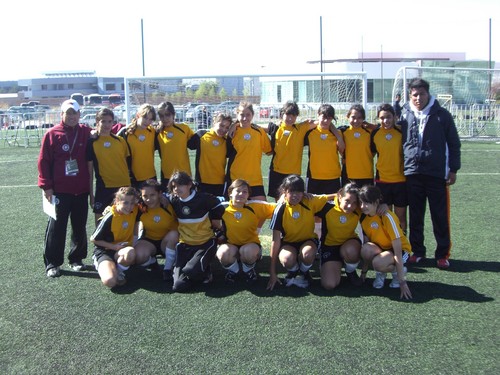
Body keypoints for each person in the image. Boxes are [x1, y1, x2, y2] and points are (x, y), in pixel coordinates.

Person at [399, 78, 461, 269]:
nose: (418, 98)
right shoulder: (404, 113)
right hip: (412, 172)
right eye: (414, 94)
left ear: (428, 94)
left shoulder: (442, 115)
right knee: (416, 215)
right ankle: (418, 251)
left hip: (436, 174)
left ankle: (442, 254)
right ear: (410, 95)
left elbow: (454, 143)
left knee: (439, 216)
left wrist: (453, 169)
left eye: (422, 94)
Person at [38, 99, 92, 278]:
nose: (71, 116)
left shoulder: (85, 132)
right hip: (60, 190)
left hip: (80, 189)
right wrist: (46, 187)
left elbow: (107, 128)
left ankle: (76, 259)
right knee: (56, 227)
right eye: (68, 113)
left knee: (79, 226)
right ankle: (52, 263)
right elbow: (43, 162)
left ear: (79, 114)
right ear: (62, 114)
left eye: (74, 113)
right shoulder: (52, 134)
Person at [267, 175, 334, 290]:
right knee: (287, 259)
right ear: (284, 192)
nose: (295, 195)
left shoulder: (309, 201)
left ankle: (304, 272)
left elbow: (335, 196)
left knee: (307, 254)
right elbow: (275, 240)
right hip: (288, 242)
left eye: (299, 191)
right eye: (291, 191)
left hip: (308, 240)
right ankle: (293, 270)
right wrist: (272, 273)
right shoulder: (280, 208)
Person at [167, 171, 225, 292]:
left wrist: (217, 225)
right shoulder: (173, 200)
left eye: (180, 185)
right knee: (178, 286)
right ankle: (200, 271)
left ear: (189, 185)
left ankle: (203, 268)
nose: (177, 189)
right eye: (174, 186)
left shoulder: (204, 198)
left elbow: (221, 207)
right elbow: (157, 198)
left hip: (205, 243)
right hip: (185, 245)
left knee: (190, 270)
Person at [216, 179, 276, 284]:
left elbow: (278, 208)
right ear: (230, 193)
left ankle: (248, 270)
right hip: (231, 245)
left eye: (245, 192)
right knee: (222, 253)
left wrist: (291, 196)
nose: (241, 194)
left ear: (248, 195)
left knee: (247, 253)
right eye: (238, 191)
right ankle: (234, 270)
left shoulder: (255, 206)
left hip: (250, 245)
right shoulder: (222, 207)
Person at [358, 185, 412, 300]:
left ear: (377, 201)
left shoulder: (387, 217)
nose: (363, 206)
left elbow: (397, 251)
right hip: (383, 249)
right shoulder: (364, 217)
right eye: (361, 202)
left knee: (378, 263)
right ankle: (381, 271)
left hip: (400, 251)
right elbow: (368, 248)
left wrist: (402, 282)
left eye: (367, 203)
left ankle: (398, 272)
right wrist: (364, 272)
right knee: (366, 249)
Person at [87, 108, 131, 225]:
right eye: (103, 121)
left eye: (109, 121)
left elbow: (128, 164)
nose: (107, 124)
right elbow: (89, 172)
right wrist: (91, 195)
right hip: (104, 187)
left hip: (123, 187)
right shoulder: (92, 142)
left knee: (123, 221)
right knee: (100, 221)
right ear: (97, 122)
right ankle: (99, 244)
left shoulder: (120, 141)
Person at [315, 183, 363, 290]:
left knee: (351, 250)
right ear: (340, 197)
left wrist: (382, 206)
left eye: (354, 202)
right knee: (329, 285)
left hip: (349, 244)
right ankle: (336, 265)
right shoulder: (326, 207)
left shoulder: (358, 209)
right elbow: (310, 200)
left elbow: (373, 202)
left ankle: (350, 270)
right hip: (330, 247)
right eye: (347, 201)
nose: (350, 206)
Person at [90, 187, 140, 288]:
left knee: (130, 252)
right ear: (117, 201)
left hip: (122, 250)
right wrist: (114, 247)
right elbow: (94, 239)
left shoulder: (135, 210)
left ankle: (119, 270)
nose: (129, 206)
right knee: (110, 282)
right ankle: (99, 263)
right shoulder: (109, 216)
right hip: (105, 251)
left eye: (131, 203)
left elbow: (148, 198)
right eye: (125, 203)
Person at [267, 101, 316, 200]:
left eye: (293, 116)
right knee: (279, 202)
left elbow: (324, 121)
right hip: (276, 171)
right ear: (282, 114)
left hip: (293, 173)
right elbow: (256, 127)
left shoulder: (301, 128)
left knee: (293, 201)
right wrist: (236, 125)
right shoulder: (275, 128)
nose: (290, 118)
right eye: (287, 115)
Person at [371, 104, 407, 233]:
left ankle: (403, 247)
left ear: (395, 117)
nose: (385, 121)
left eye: (388, 117)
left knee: (400, 217)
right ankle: (388, 246)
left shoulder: (401, 132)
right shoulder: (375, 133)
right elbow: (371, 153)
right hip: (382, 182)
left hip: (400, 181)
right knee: (385, 216)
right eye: (382, 118)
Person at [226, 101, 272, 201]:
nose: (245, 118)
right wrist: (234, 126)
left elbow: (269, 151)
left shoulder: (259, 132)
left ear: (252, 115)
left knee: (261, 213)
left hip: (255, 180)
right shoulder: (232, 132)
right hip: (236, 180)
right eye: (242, 115)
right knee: (236, 212)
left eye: (248, 115)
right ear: (237, 114)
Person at [136, 179, 179, 281]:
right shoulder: (139, 208)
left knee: (174, 234)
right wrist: (110, 209)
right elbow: (121, 204)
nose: (148, 199)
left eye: (152, 195)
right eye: (145, 196)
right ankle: (152, 261)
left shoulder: (170, 204)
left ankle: (168, 269)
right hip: (150, 241)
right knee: (138, 257)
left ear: (160, 193)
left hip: (169, 241)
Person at [187, 113, 232, 197]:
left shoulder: (227, 141)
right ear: (214, 122)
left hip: (220, 184)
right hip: (202, 183)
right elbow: (187, 143)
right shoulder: (201, 135)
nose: (223, 129)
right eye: (221, 125)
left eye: (227, 127)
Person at [156, 101, 194, 191]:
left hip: (184, 174)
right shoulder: (157, 132)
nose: (165, 118)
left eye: (167, 115)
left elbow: (198, 143)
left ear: (173, 114)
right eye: (161, 116)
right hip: (167, 176)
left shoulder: (184, 128)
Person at [119, 104, 157, 188]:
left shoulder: (153, 132)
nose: (147, 121)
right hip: (132, 178)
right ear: (138, 115)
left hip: (151, 176)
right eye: (145, 118)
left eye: (150, 119)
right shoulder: (125, 132)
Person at [339, 104, 376, 187]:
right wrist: (339, 138)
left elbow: (384, 127)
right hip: (348, 175)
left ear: (363, 118)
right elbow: (330, 126)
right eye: (353, 117)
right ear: (347, 116)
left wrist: (370, 125)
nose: (356, 121)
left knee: (366, 200)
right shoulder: (342, 131)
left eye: (359, 118)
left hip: (366, 174)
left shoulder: (370, 131)